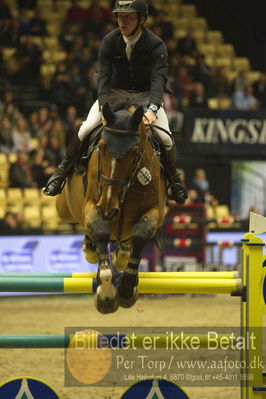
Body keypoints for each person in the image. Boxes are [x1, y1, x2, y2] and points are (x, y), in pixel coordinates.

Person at [44, 0, 187, 205]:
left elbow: (158, 80)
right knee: (85, 130)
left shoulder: (156, 45)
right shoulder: (109, 41)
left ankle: (174, 180)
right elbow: (103, 78)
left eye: (128, 17)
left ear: (141, 19)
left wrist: (153, 109)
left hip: (145, 96)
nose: (122, 21)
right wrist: (103, 107)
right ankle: (60, 173)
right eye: (120, 16)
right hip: (113, 94)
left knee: (166, 139)